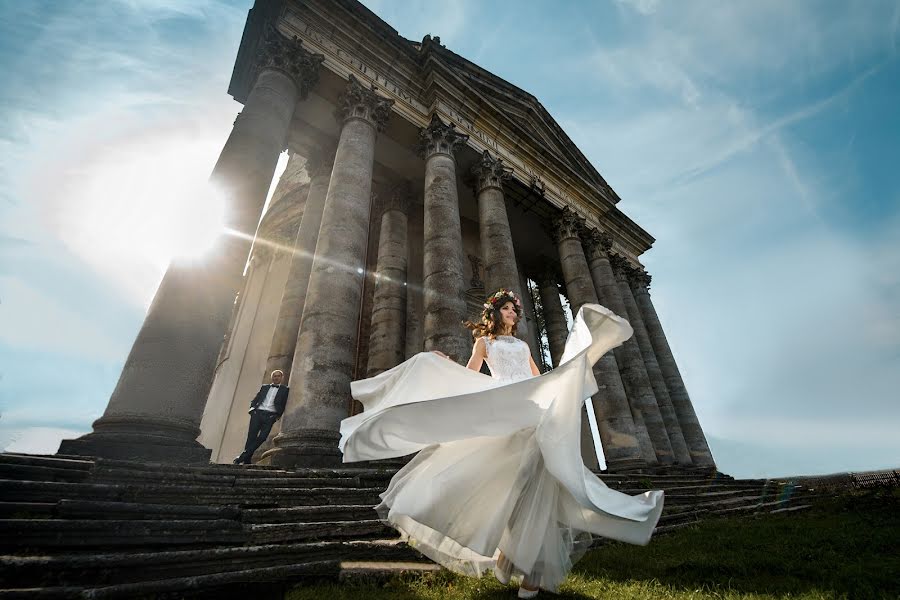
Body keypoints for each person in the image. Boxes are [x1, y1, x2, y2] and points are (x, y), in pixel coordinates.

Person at [339, 289, 664, 598]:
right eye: (507, 308)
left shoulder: (522, 346)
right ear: (495, 312)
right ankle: (512, 556)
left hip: (530, 409)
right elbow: (470, 374)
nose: (512, 313)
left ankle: (528, 566)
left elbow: (537, 377)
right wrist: (439, 363)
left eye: (514, 310)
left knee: (537, 481)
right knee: (511, 483)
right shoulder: (484, 342)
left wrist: (566, 379)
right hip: (503, 409)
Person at [233, 369, 288, 465]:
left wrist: (276, 416)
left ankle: (241, 457)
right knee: (251, 437)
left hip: (270, 416)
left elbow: (284, 404)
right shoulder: (264, 387)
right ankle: (246, 460)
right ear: (272, 377)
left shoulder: (285, 390)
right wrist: (252, 410)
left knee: (262, 437)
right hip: (257, 414)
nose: (276, 377)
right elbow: (256, 399)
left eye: (278, 376)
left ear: (282, 378)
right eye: (274, 376)